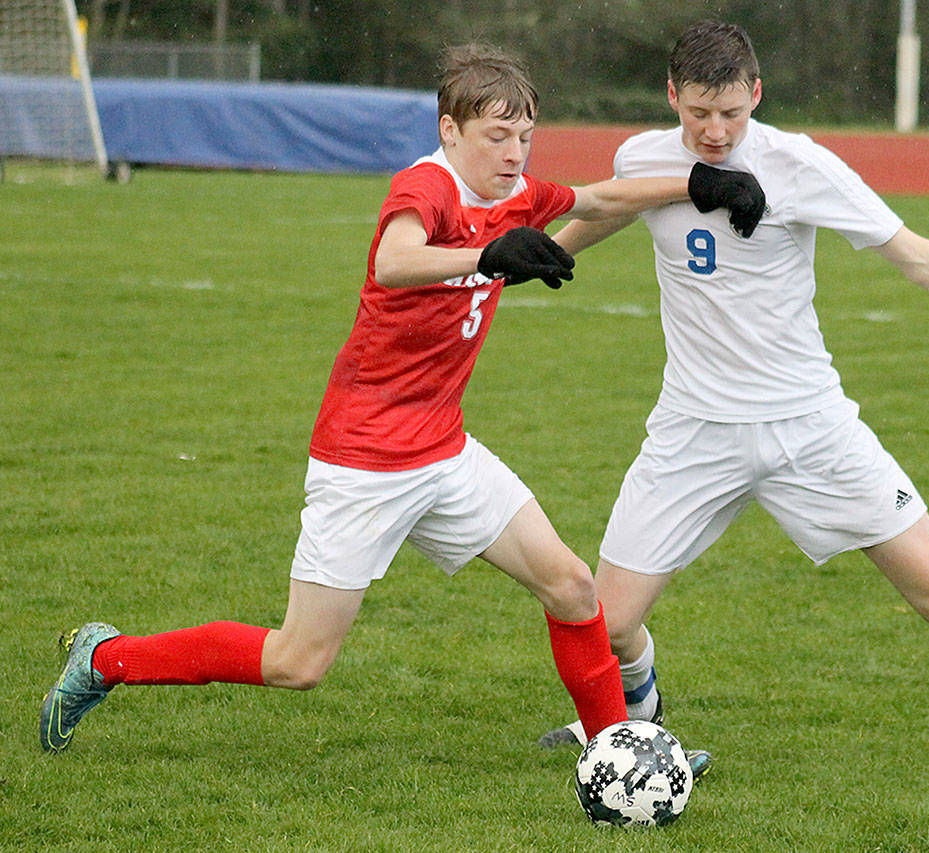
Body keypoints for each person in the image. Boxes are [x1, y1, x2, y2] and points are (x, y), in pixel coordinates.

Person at [39, 43, 766, 761]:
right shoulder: (427, 186)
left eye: (524, 135)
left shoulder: (515, 193)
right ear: (450, 131)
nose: (514, 152)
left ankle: (618, 754)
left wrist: (700, 183)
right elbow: (395, 258)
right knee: (299, 660)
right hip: (365, 459)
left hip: (445, 452)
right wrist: (486, 255)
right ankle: (107, 659)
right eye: (495, 136)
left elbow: (601, 197)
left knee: (572, 585)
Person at [537, 20, 929, 778]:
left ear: (756, 93)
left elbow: (915, 256)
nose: (716, 131)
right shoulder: (642, 156)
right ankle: (642, 713)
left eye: (732, 112)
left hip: (811, 426)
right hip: (693, 428)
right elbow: (608, 209)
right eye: (698, 113)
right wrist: (545, 255)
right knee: (611, 623)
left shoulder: (800, 164)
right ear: (672, 98)